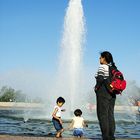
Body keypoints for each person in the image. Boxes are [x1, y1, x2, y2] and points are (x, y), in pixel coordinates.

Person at [94, 51, 117, 140]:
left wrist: (96, 88)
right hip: (112, 93)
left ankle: (106, 137)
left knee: (102, 115)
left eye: (100, 57)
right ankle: (111, 136)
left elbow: (100, 78)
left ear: (104, 58)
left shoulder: (102, 66)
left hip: (103, 93)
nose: (99, 59)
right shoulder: (112, 67)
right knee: (110, 115)